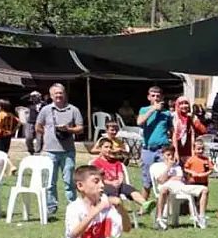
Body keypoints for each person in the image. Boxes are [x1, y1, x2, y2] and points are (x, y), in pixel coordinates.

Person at [35, 84, 84, 216]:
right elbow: (38, 127)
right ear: (51, 96)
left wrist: (68, 130)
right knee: (50, 181)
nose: (59, 96)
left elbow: (80, 128)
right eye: (56, 93)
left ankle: (72, 206)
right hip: (49, 151)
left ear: (65, 94)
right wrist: (48, 133)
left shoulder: (73, 110)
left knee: (69, 181)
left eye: (61, 93)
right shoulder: (45, 110)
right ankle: (51, 207)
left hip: (68, 151)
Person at [153, 145, 210, 229]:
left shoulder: (177, 167)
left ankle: (201, 216)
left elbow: (179, 179)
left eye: (172, 154)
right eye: (168, 155)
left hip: (180, 187)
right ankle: (160, 218)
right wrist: (168, 168)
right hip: (166, 187)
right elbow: (161, 180)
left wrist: (168, 177)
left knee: (205, 189)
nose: (171, 157)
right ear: (163, 155)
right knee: (163, 190)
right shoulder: (157, 166)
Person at [137, 86, 172, 196]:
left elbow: (172, 130)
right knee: (146, 180)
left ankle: (165, 206)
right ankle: (143, 207)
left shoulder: (167, 114)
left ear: (162, 97)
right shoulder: (144, 110)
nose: (156, 98)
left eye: (158, 96)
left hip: (162, 149)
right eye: (153, 96)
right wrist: (153, 109)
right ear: (149, 97)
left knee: (165, 177)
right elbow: (140, 122)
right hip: (148, 149)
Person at [91, 141, 145, 207]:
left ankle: (145, 204)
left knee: (132, 191)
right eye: (106, 147)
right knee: (113, 195)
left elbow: (120, 174)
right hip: (106, 185)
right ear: (100, 148)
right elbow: (99, 179)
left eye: (110, 147)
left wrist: (120, 181)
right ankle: (115, 210)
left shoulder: (116, 162)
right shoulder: (97, 163)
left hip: (119, 184)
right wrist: (111, 183)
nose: (109, 149)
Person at [170, 96, 207, 164]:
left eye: (186, 103)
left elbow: (204, 131)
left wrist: (194, 120)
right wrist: (175, 153)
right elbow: (173, 134)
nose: (184, 106)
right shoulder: (173, 117)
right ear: (177, 105)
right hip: (175, 150)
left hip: (189, 151)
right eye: (181, 103)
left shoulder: (192, 117)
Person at [23, 91, 44, 155]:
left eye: (35, 96)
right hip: (30, 122)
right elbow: (22, 99)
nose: (34, 98)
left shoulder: (44, 104)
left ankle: (37, 152)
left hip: (40, 123)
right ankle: (31, 150)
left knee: (39, 139)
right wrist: (30, 94)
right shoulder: (30, 103)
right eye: (33, 97)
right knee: (28, 137)